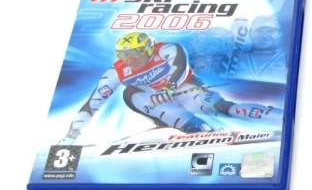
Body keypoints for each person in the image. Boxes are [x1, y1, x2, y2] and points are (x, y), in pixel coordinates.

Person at [59, 31, 282, 144]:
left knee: (221, 107)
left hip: (185, 88)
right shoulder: (116, 71)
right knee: (130, 93)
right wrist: (71, 135)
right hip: (156, 100)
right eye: (123, 55)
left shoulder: (167, 49)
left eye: (135, 52)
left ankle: (278, 119)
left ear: (149, 48)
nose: (130, 59)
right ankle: (193, 127)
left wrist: (169, 86)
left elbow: (179, 67)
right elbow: (92, 104)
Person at [232, 14, 287, 81]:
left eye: (271, 31)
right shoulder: (234, 59)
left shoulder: (289, 59)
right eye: (259, 31)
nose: (264, 36)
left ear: (279, 34)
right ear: (250, 33)